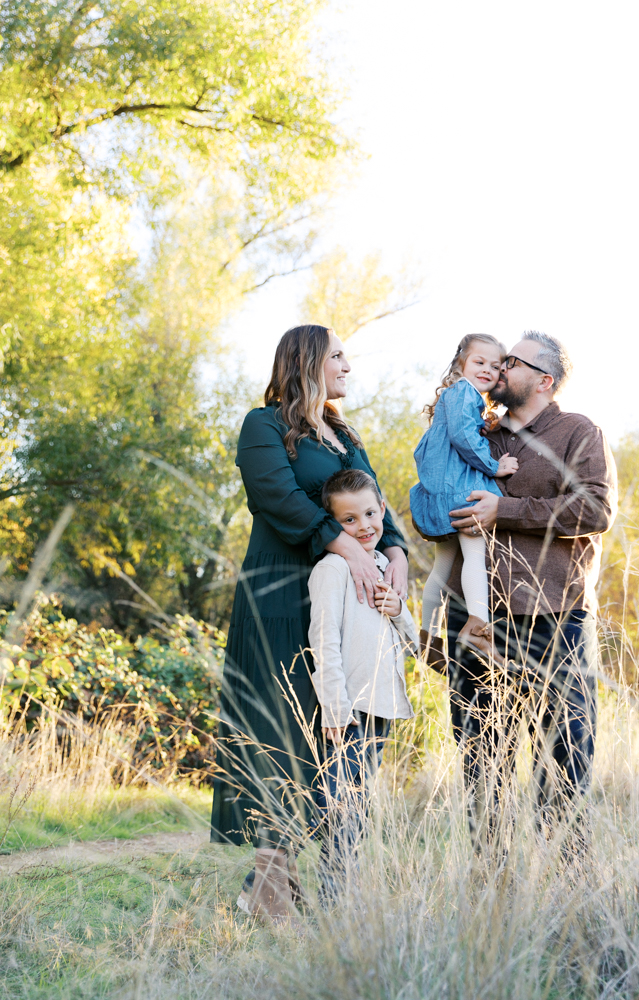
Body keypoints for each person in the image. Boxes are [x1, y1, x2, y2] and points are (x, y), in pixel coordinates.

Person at [210, 324, 409, 923]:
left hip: (345, 603)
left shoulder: (345, 435)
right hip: (280, 594)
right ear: (308, 361)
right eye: (338, 355)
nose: (348, 365)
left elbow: (374, 502)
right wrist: (347, 549)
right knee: (283, 730)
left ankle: (287, 883)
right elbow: (278, 497)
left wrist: (396, 558)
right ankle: (270, 885)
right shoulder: (263, 426)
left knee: (332, 734)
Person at [445, 331, 617, 851]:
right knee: (481, 761)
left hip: (555, 619)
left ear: (544, 380)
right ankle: (491, 882)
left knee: (565, 758)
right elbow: (437, 495)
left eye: (513, 361)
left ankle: (567, 882)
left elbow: (595, 510)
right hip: (479, 621)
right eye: (499, 360)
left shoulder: (577, 432)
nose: (500, 368)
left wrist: (506, 511)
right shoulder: (475, 431)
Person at [308, 469, 418, 900]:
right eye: (349, 519)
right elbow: (323, 640)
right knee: (338, 807)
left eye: (370, 514)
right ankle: (327, 894)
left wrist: (398, 608)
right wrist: (335, 707)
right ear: (334, 525)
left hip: (381, 706)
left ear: (383, 510)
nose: (364, 526)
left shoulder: (384, 566)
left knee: (358, 806)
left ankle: (342, 892)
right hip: (349, 710)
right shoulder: (333, 569)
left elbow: (412, 639)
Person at [410, 334, 518, 665]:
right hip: (460, 491)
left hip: (445, 492)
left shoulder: (459, 396)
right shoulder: (463, 393)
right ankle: (478, 628)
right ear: (461, 364)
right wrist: (494, 467)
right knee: (475, 556)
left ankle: (427, 638)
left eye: (495, 366)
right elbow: (463, 438)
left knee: (442, 567)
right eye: (479, 362)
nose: (487, 370)